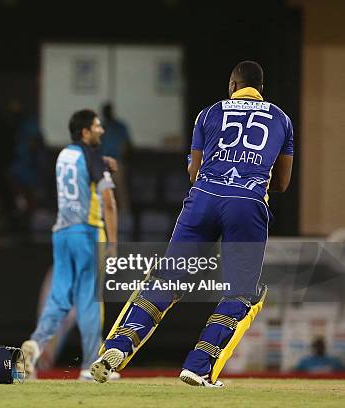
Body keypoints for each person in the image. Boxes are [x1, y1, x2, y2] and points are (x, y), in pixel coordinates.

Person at [92, 61, 294, 387]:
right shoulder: (282, 119)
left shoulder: (209, 113)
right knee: (243, 294)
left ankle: (115, 348)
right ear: (261, 88)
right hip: (247, 203)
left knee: (166, 279)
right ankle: (198, 367)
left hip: (202, 200)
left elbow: (193, 172)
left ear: (232, 85)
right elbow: (282, 182)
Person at [20, 109, 118, 380]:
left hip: (61, 232)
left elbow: (86, 168)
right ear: (85, 132)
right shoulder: (92, 157)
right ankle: (91, 365)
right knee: (88, 300)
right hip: (87, 232)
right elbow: (109, 202)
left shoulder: (64, 155)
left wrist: (104, 162)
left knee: (58, 297)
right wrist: (113, 242)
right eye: (97, 127)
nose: (101, 130)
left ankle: (34, 346)